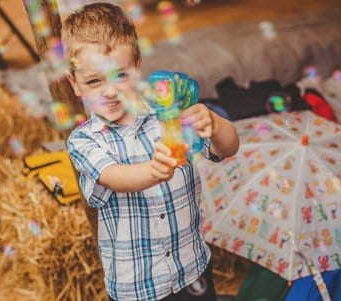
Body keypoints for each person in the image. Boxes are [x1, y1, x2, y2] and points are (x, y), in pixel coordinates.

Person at [62, 3, 240, 301]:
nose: (109, 91)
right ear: (75, 83)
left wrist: (215, 123)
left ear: (137, 67)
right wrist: (152, 171)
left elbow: (228, 148)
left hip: (192, 269)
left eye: (120, 76)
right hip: (139, 287)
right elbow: (114, 176)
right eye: (94, 81)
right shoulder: (84, 140)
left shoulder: (169, 114)